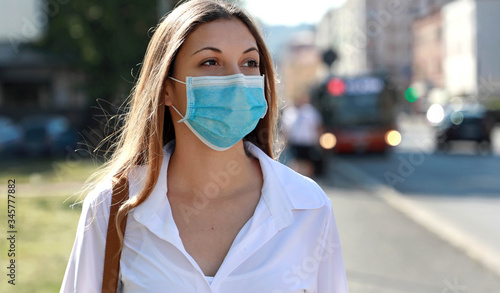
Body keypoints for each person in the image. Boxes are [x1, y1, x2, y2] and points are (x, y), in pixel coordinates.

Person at [60, 1, 348, 292]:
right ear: (167, 89)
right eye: (210, 62)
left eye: (250, 63)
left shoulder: (310, 206)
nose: (237, 79)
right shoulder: (112, 209)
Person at [282, 92, 324, 178]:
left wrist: (319, 140)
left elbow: (317, 126)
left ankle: (309, 179)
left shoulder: (310, 111)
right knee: (296, 162)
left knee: (308, 162)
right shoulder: (290, 112)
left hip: (308, 142)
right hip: (295, 142)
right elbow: (286, 129)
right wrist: (285, 142)